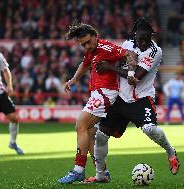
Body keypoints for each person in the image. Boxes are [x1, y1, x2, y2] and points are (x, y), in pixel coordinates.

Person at [85, 17, 180, 183]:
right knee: (100, 136)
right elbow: (119, 60)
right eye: (140, 39)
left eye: (147, 39)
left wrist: (109, 67)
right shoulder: (127, 44)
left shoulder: (155, 51)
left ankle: (171, 152)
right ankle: (100, 175)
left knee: (150, 130)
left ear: (151, 36)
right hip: (121, 98)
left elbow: (136, 77)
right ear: (134, 35)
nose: (143, 43)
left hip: (141, 98)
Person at [58, 23, 137, 184]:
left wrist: (130, 74)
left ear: (95, 36)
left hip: (105, 93)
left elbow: (131, 54)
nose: (86, 46)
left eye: (88, 42)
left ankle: (78, 170)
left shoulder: (106, 48)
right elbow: (85, 64)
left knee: (80, 124)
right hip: (98, 93)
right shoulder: (91, 51)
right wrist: (73, 80)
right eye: (83, 44)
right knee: (90, 133)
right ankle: (102, 173)